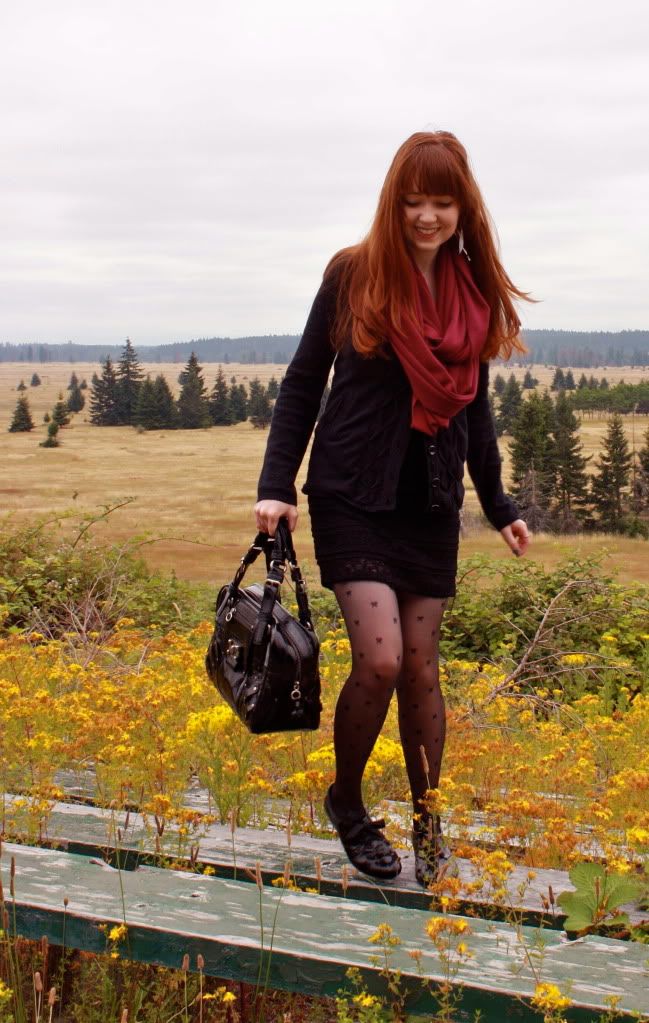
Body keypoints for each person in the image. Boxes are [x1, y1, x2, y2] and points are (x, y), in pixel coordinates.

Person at [254, 131, 530, 885]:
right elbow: (303, 382)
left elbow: (472, 411)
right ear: (394, 201)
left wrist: (498, 502)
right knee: (378, 659)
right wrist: (275, 483)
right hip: (350, 493)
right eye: (413, 201)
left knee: (420, 671)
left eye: (441, 201)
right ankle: (346, 800)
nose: (426, 216)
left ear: (460, 204)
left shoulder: (469, 290)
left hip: (430, 506)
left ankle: (428, 820)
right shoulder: (354, 273)